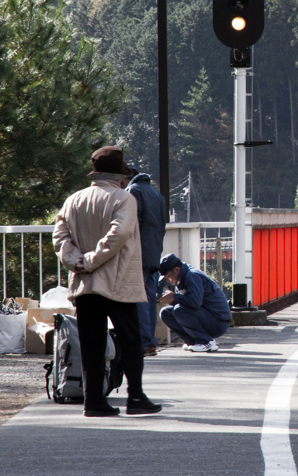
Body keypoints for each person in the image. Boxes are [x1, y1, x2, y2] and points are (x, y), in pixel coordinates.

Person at [53, 146, 161, 417]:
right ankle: (135, 396)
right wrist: (91, 260)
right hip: (117, 280)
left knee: (91, 343)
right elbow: (119, 233)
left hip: (84, 284)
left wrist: (76, 260)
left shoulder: (73, 200)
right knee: (130, 339)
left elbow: (60, 235)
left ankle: (93, 401)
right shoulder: (123, 199)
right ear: (119, 176)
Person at [157, 253, 231, 352]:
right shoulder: (182, 276)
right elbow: (186, 302)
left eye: (168, 277)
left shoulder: (192, 275)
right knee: (165, 313)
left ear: (177, 270)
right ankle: (193, 341)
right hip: (207, 316)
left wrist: (174, 297)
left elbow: (195, 302)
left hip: (218, 322)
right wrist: (171, 299)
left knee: (179, 310)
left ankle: (206, 342)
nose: (167, 280)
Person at [127, 167, 166, 357]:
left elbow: (131, 223)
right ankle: (151, 343)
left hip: (139, 253)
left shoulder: (134, 191)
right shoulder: (157, 194)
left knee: (139, 299)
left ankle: (143, 344)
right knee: (149, 299)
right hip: (154, 253)